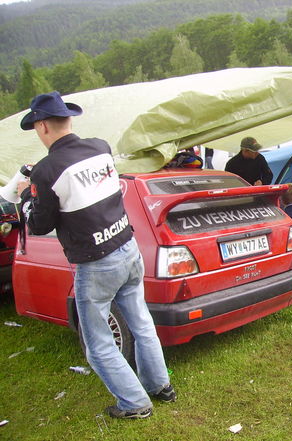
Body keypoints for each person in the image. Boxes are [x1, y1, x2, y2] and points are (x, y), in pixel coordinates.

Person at [17, 91, 175, 420]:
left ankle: (134, 403)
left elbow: (41, 224)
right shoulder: (100, 147)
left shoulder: (46, 171)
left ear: (42, 125)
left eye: (35, 126)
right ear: (68, 119)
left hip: (96, 262)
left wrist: (28, 196)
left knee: (98, 342)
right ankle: (160, 386)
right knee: (142, 323)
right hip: (128, 247)